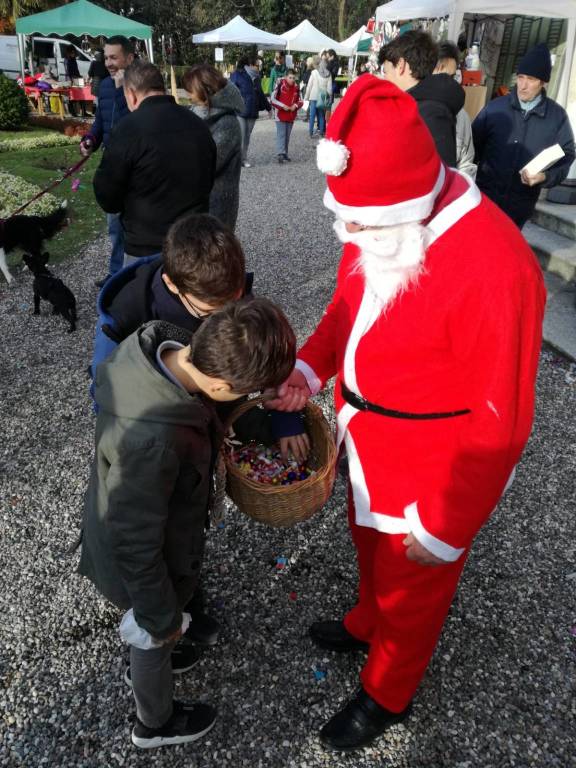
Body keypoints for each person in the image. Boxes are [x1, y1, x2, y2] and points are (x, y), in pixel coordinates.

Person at [266, 75, 546, 752]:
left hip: (430, 465)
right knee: (369, 551)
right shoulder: (384, 217)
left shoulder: (495, 266)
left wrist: (448, 524)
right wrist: (309, 367)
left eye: (360, 223)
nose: (349, 233)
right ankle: (368, 621)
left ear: (409, 202)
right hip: (369, 437)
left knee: (413, 588)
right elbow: (348, 310)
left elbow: (501, 418)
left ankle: (387, 692)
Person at [79, 297, 298, 749]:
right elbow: (135, 541)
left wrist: (265, 415)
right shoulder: (152, 441)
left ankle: (157, 646)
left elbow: (210, 414)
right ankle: (154, 722)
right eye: (244, 392)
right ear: (220, 385)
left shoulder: (169, 352)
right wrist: (160, 618)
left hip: (157, 538)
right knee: (151, 632)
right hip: (141, 560)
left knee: (158, 623)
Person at [93, 61, 216, 267]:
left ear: (131, 94)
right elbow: (210, 177)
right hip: (193, 242)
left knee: (146, 297)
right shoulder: (198, 124)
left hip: (146, 248)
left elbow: (107, 197)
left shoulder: (128, 129)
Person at [472, 43, 575, 228]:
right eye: (520, 77)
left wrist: (545, 177)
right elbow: (473, 147)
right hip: (485, 199)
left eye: (531, 79)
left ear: (543, 82)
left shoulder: (556, 117)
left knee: (506, 255)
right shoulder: (495, 108)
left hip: (520, 206)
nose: (523, 85)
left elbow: (567, 155)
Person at [80, 36, 135, 286]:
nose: (109, 62)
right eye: (106, 57)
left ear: (129, 58)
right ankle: (115, 274)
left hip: (135, 165)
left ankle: (135, 274)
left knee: (135, 223)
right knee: (114, 224)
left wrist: (121, 90)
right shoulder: (102, 86)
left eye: (114, 57)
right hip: (112, 165)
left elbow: (135, 123)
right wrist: (91, 138)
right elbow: (101, 121)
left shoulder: (138, 84)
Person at [379, 30, 465, 167]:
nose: (385, 78)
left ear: (400, 66)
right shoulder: (422, 104)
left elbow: (438, 177)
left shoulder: (428, 113)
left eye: (386, 71)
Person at [183, 65, 244, 231]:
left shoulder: (227, 123)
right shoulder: (196, 113)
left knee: (214, 251)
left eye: (190, 89)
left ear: (205, 90)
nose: (187, 94)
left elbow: (207, 164)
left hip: (217, 203)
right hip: (194, 203)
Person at [434, 41, 476, 178]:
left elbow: (466, 164)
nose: (446, 83)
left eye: (451, 77)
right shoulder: (411, 109)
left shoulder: (461, 116)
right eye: (440, 76)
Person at [230, 54, 271, 168]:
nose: (259, 67)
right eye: (257, 65)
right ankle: (238, 160)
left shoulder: (257, 77)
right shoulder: (237, 75)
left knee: (247, 137)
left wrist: (268, 108)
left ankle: (243, 158)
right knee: (241, 136)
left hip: (253, 111)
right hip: (240, 111)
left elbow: (261, 94)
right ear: (250, 65)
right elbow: (231, 91)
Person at [270, 68, 303, 163]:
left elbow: (301, 100)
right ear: (285, 77)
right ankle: (280, 153)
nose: (292, 80)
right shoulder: (280, 84)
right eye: (290, 77)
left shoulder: (296, 87)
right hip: (280, 114)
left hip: (291, 115)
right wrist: (282, 106)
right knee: (281, 134)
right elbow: (272, 99)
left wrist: (295, 105)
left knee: (287, 135)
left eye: (293, 78)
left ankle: (285, 153)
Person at [304, 56, 332, 138]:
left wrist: (306, 97)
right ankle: (321, 133)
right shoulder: (328, 74)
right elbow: (329, 89)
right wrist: (328, 98)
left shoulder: (314, 72)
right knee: (321, 115)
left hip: (313, 96)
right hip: (322, 97)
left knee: (312, 115)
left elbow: (309, 86)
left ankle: (310, 133)